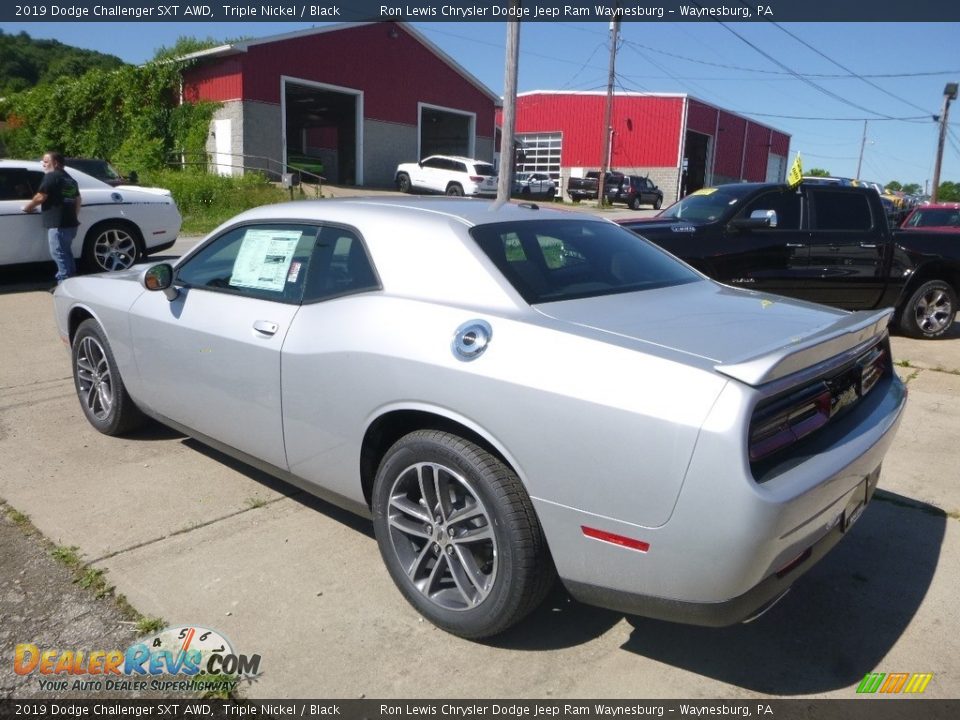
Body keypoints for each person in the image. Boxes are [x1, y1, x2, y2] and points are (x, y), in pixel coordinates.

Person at [22, 151, 82, 285]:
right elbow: (77, 200)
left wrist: (28, 207)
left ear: (55, 163)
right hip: (70, 224)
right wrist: (74, 216)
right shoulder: (70, 179)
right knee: (66, 253)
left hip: (58, 225)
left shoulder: (51, 177)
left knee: (59, 253)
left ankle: (64, 282)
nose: (43, 164)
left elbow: (41, 196)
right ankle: (72, 281)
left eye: (46, 161)